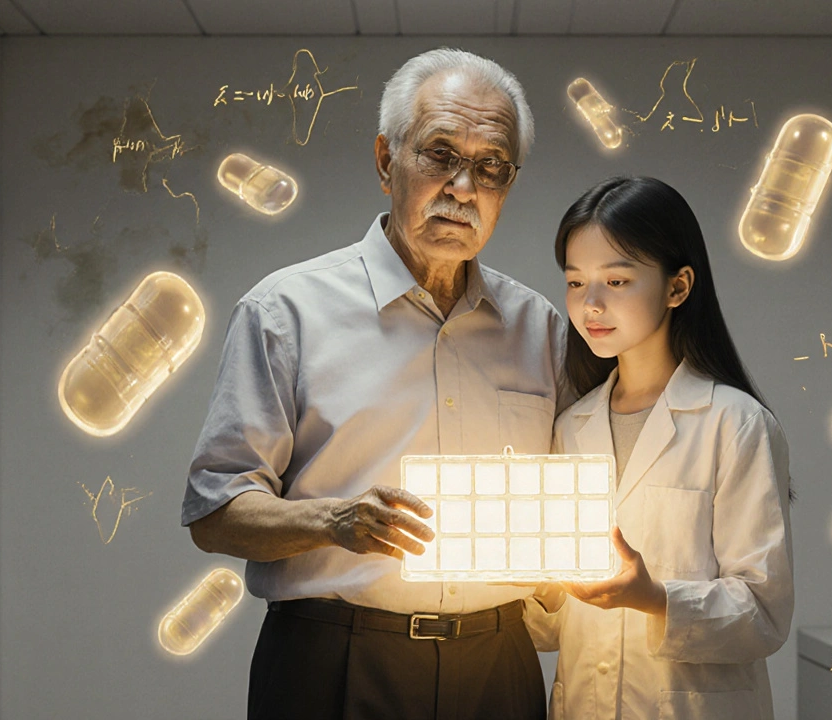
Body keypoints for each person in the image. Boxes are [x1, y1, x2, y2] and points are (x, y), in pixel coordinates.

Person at [181, 48, 571, 720]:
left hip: (500, 665)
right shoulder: (285, 312)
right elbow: (214, 514)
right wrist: (334, 520)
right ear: (387, 160)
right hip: (332, 662)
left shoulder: (541, 327)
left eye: (490, 167)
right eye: (440, 154)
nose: (462, 187)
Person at [524, 177, 794, 720]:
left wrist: (654, 596)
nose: (591, 304)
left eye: (617, 280)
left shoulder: (734, 424)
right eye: (576, 283)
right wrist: (531, 580)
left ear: (678, 287)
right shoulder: (570, 427)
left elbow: (764, 613)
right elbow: (550, 629)